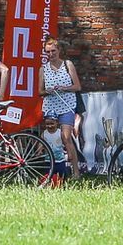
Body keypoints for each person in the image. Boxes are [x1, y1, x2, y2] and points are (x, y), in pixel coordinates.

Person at [40, 34, 84, 172]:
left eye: (53, 51)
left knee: (66, 137)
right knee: (50, 138)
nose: (51, 54)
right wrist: (48, 91)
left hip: (66, 105)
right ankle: (54, 169)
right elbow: (39, 92)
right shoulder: (43, 69)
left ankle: (75, 171)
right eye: (48, 52)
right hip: (50, 107)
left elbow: (77, 86)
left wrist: (64, 88)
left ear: (58, 50)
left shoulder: (67, 64)